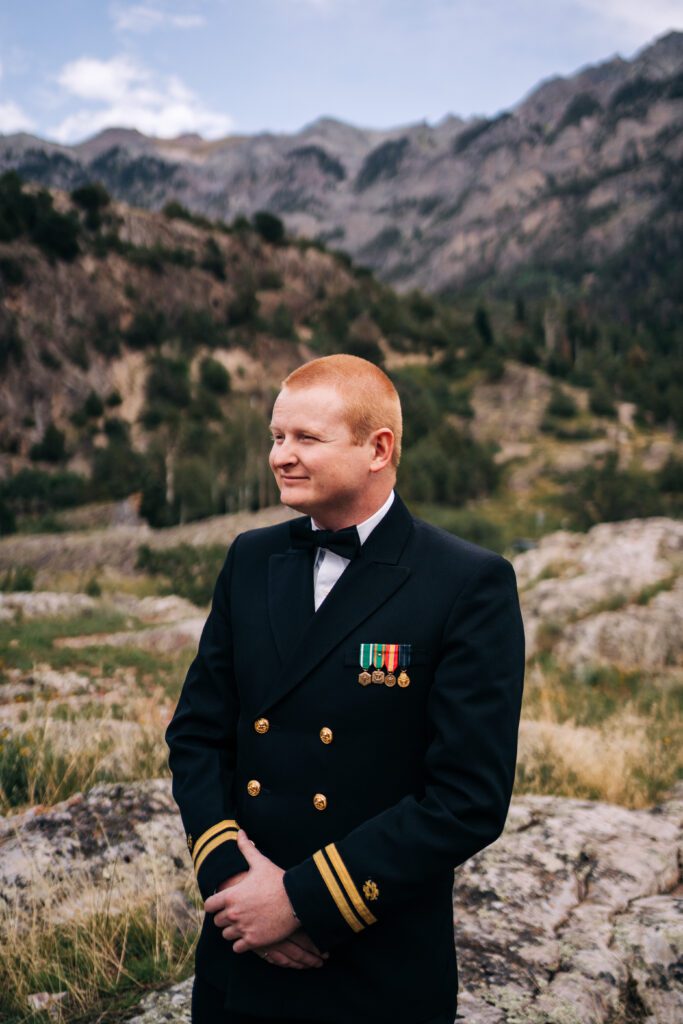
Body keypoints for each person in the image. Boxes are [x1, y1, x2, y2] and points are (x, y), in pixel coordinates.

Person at [165, 353, 525, 1024]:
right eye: (276, 436)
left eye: (306, 438)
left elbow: (467, 798)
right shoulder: (250, 558)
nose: (281, 456)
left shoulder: (465, 583)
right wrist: (233, 880)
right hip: (238, 954)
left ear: (376, 448)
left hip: (373, 962)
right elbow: (197, 734)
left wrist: (301, 901)